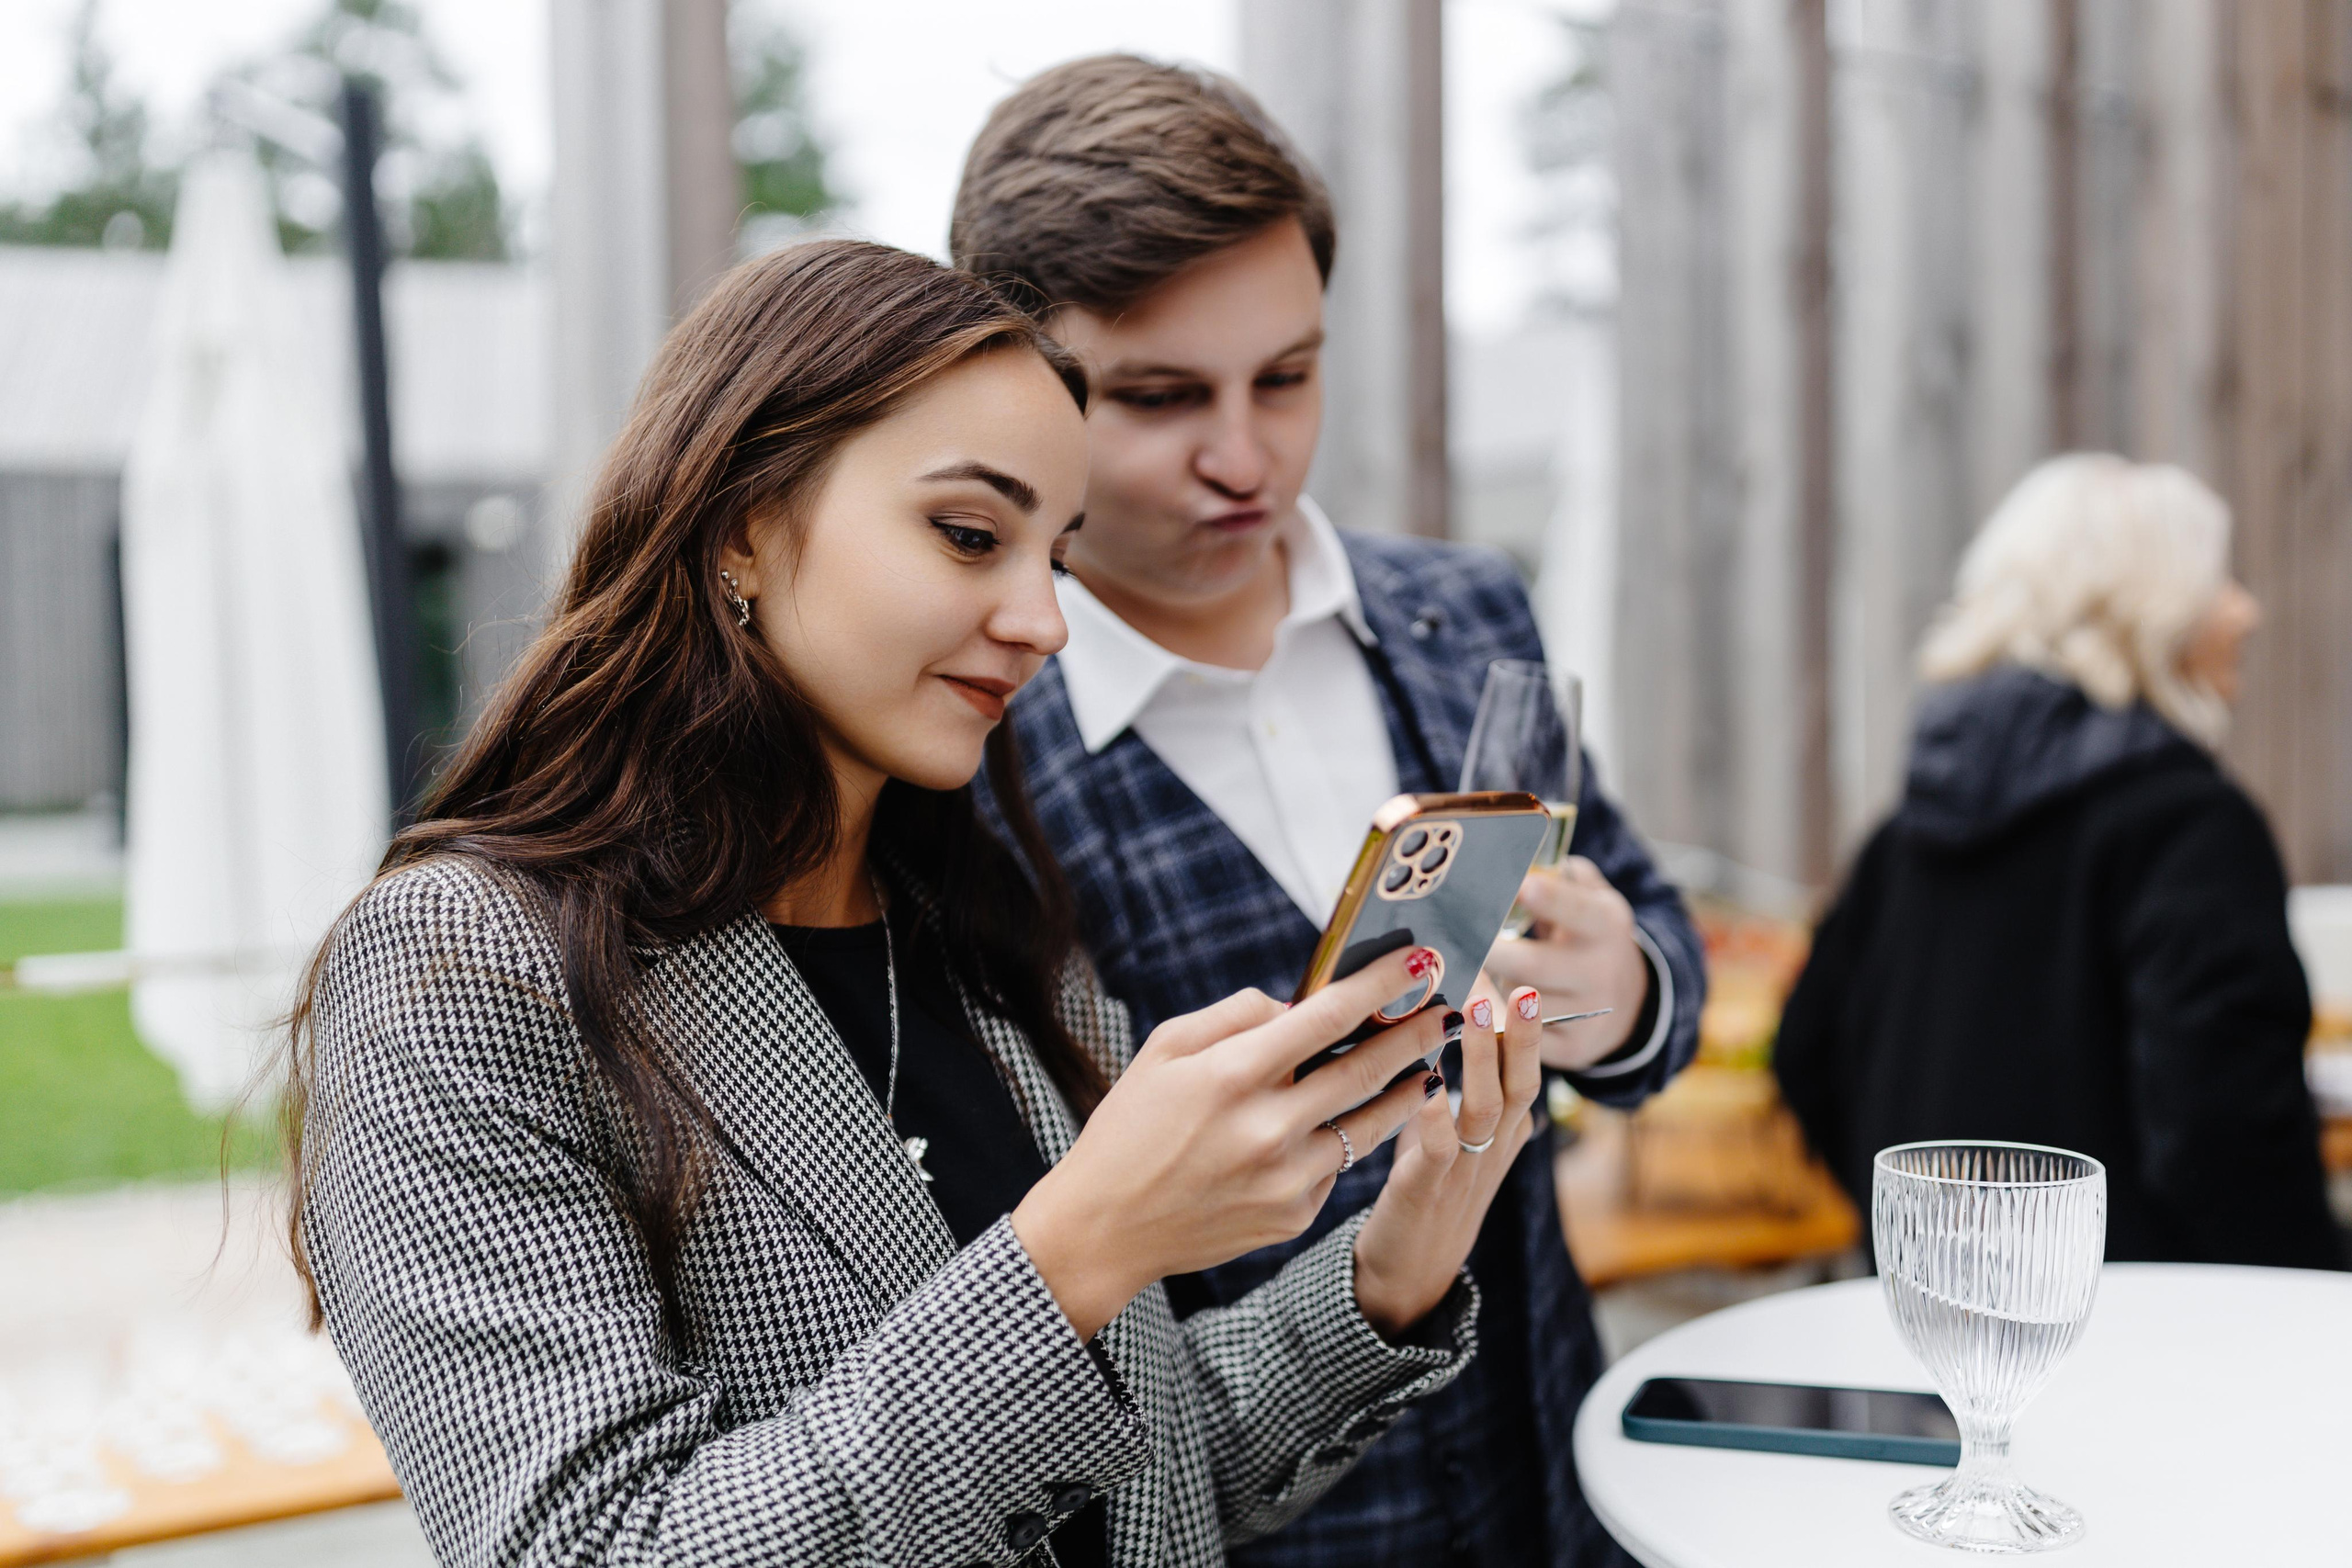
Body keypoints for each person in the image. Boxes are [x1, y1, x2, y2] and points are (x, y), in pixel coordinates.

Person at [285, 241, 1563, 1568]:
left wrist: (1400, 1252)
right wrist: (1082, 1240)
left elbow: (1146, 1484)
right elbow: (602, 1543)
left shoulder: (997, 946)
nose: (1043, 620)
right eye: (968, 534)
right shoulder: (463, 966)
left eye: (1054, 552)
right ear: (739, 523)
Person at [952, 57, 1704, 1568]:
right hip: (1243, 1519)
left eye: (1286, 376)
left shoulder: (1463, 608)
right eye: (1162, 398)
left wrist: (1621, 990)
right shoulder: (962, 741)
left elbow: (1652, 952)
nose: (1245, 455)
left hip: (1550, 1480)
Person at [1776, 454, 2341, 1269]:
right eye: (2217, 579)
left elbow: (1807, 1053)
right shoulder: (2189, 829)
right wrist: (2314, 1317)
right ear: (2147, 611)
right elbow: (2226, 1138)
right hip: (2152, 1353)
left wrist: (1931, 1250)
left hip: (1948, 1353)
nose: (2245, 610)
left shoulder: (1905, 836)